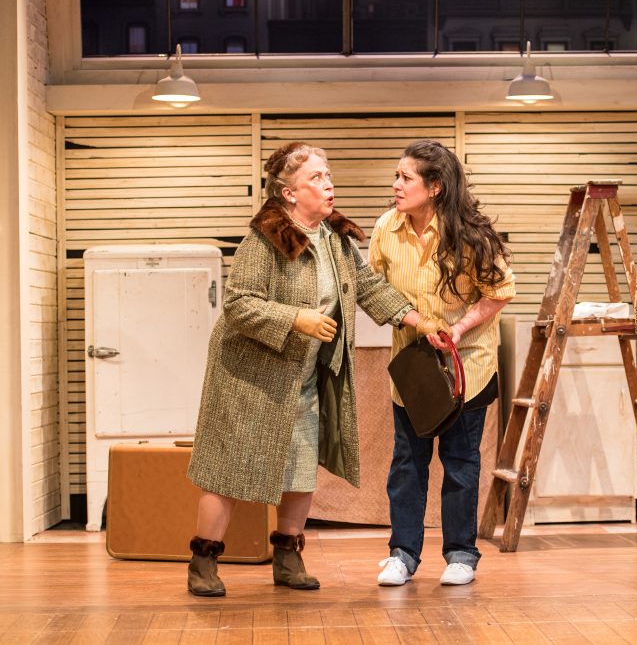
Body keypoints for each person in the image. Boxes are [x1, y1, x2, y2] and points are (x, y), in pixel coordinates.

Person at [186, 141, 434, 597]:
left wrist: (418, 320)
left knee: (301, 466)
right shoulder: (265, 240)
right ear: (288, 194)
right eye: (316, 178)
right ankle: (203, 562)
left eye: (328, 175)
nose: (328, 184)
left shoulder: (334, 239)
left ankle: (288, 557)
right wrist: (295, 318)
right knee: (229, 469)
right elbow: (239, 306)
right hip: (250, 378)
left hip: (303, 376)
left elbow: (366, 287)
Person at [369, 139, 515, 587]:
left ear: (434, 187)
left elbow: (499, 292)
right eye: (396, 176)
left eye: (405, 177)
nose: (395, 185)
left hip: (466, 365)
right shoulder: (386, 228)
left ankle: (461, 554)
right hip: (413, 368)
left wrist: (459, 328)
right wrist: (411, 319)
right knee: (406, 464)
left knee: (460, 461)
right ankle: (403, 554)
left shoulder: (471, 235)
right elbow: (375, 288)